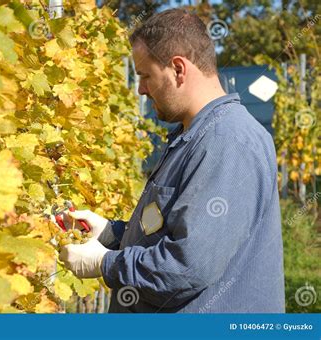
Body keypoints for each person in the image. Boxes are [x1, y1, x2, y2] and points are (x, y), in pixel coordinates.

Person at [59, 8, 285, 313]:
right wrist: (112, 234)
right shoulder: (192, 135)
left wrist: (105, 263)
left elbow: (188, 266)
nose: (140, 89)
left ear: (178, 69)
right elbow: (171, 232)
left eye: (145, 76)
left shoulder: (227, 141)